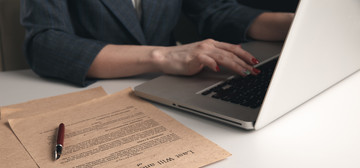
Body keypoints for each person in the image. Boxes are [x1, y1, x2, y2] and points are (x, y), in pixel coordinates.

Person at [20, 0, 294, 87]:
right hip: (92, 91)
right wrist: (162, 56)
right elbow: (45, 43)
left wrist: (293, 22)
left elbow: (215, 10)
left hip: (171, 87)